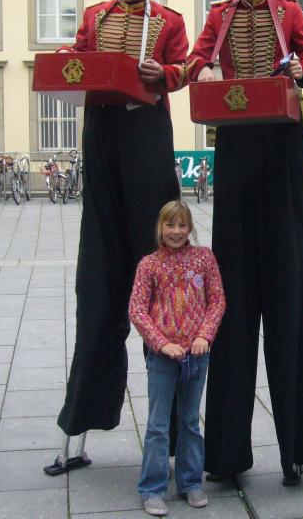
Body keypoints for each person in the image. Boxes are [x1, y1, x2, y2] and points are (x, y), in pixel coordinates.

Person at [46, 0, 190, 474]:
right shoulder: (95, 14)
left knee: (159, 256)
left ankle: (178, 440)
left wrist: (166, 75)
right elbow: (82, 58)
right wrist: (67, 60)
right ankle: (80, 421)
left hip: (147, 132)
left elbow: (185, 67)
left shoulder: (169, 21)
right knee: (99, 280)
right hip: (103, 132)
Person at [187, 0, 303, 486]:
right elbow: (196, 60)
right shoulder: (218, 15)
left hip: (284, 143)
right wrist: (204, 73)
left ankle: (294, 448)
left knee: (290, 285)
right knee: (233, 291)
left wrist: (299, 73)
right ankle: (226, 453)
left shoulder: (288, 12)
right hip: (238, 142)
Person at [129, 200, 225, 516]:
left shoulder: (204, 259)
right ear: (161, 227)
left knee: (189, 421)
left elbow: (217, 301)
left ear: (190, 228)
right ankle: (152, 488)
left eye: (182, 225)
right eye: (170, 225)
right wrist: (160, 343)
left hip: (197, 357)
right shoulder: (149, 265)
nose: (176, 231)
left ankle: (190, 482)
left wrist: (204, 336)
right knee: (158, 425)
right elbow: (138, 310)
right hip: (163, 359)